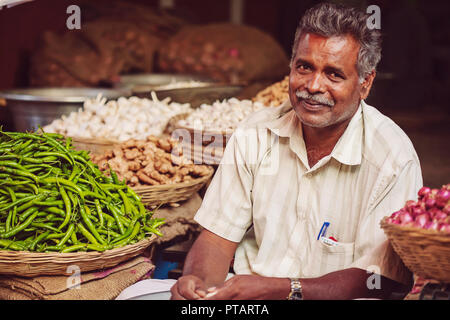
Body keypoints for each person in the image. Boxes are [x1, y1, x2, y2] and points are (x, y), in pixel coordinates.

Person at [122, 2, 423, 301]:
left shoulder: (391, 158)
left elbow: (380, 280)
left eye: (333, 74)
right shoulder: (256, 132)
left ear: (365, 83)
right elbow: (216, 238)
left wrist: (283, 289)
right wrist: (197, 283)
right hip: (248, 300)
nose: (313, 85)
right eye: (304, 67)